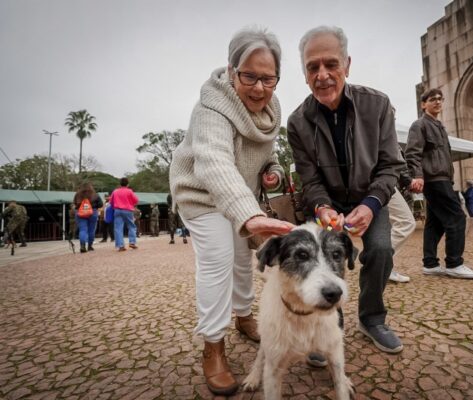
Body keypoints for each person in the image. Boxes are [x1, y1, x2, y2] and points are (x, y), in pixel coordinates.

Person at [169, 27, 294, 396]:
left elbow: (267, 156)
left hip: (243, 196)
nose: (258, 87)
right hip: (201, 194)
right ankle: (213, 345)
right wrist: (249, 215)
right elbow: (213, 163)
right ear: (231, 70)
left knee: (244, 258)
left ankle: (243, 317)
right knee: (220, 256)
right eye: (249, 76)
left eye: (268, 78)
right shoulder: (211, 105)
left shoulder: (272, 109)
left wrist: (273, 172)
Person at [287, 26, 404, 354]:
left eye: (331, 64)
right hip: (328, 201)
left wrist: (370, 204)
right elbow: (309, 179)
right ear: (305, 73)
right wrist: (322, 207)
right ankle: (323, 325)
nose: (322, 75)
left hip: (371, 197)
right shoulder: (297, 122)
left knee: (381, 250)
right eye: (313, 67)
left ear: (347, 65)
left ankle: (372, 317)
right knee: (318, 259)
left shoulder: (378, 105)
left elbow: (391, 165)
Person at [405, 88, 473, 279]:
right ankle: (455, 263)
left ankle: (430, 264)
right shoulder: (419, 125)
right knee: (457, 217)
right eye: (433, 99)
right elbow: (412, 153)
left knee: (435, 223)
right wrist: (417, 176)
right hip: (433, 179)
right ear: (423, 104)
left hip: (443, 179)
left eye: (441, 99)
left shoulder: (440, 127)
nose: (438, 102)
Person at [388, 148, 416, 284]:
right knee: (406, 222)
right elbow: (393, 154)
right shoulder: (383, 127)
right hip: (383, 178)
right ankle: (380, 265)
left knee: (386, 226)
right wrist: (408, 180)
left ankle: (382, 267)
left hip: (378, 176)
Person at [110, 177, 139, 252]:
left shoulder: (115, 191)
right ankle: (132, 242)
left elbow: (111, 202)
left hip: (117, 211)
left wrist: (115, 207)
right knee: (131, 226)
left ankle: (120, 245)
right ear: (128, 184)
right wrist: (130, 204)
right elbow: (136, 200)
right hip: (128, 210)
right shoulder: (129, 191)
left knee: (118, 228)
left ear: (120, 184)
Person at [73, 183, 103, 253]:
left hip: (80, 213)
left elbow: (75, 203)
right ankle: (90, 246)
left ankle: (82, 246)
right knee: (91, 230)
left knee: (82, 229)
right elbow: (100, 204)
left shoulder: (77, 194)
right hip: (93, 212)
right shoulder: (95, 194)